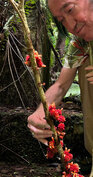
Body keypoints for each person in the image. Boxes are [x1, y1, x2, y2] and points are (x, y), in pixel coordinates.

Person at [27, 0, 93, 156]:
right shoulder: (80, 43)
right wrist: (41, 112)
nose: (70, 26)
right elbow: (61, 86)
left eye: (70, 10)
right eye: (62, 20)